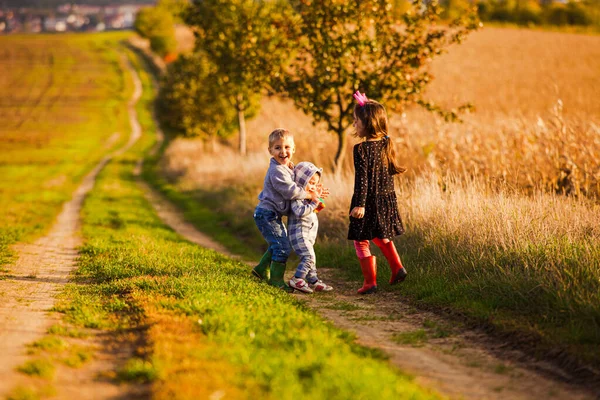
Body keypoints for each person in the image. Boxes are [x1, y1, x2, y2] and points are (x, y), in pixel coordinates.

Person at [348, 91, 408, 294]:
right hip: (385, 199)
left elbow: (362, 180)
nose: (354, 124)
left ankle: (370, 282)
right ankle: (397, 267)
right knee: (380, 235)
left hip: (367, 200)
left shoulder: (361, 149)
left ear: (368, 123)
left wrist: (360, 205)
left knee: (361, 240)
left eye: (356, 121)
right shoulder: (386, 144)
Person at [252, 128, 325, 291]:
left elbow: (299, 182)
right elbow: (291, 191)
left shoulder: (288, 168)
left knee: (277, 243)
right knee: (282, 246)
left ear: (293, 149)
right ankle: (276, 280)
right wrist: (309, 195)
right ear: (270, 150)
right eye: (277, 148)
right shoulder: (276, 170)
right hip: (266, 214)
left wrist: (313, 189)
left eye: (287, 147)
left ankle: (260, 270)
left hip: (271, 214)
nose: (283, 151)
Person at [288, 162, 333, 293]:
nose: (313, 186)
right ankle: (297, 279)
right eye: (311, 182)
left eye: (315, 183)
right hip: (299, 233)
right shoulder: (297, 197)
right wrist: (313, 202)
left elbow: (316, 209)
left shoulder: (308, 197)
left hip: (308, 234)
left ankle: (313, 280)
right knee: (309, 257)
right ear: (302, 180)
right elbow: (300, 212)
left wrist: (317, 198)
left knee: (311, 257)